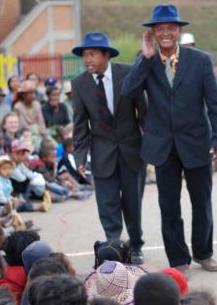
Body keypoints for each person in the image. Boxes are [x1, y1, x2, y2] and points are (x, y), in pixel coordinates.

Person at [121, 4, 217, 275]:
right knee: (168, 206)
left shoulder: (200, 60)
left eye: (170, 28)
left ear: (179, 31)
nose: (165, 33)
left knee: (201, 203)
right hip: (162, 146)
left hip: (197, 142)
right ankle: (178, 259)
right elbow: (127, 91)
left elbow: (216, 103)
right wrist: (145, 58)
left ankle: (204, 253)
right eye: (160, 29)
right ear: (153, 33)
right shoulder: (146, 61)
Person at [72, 32, 147, 263]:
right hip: (101, 152)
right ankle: (114, 246)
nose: (87, 60)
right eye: (85, 55)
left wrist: (152, 145)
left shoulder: (127, 74)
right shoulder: (79, 83)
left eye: (92, 54)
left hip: (132, 150)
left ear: (106, 55)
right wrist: (80, 157)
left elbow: (143, 112)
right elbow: (80, 124)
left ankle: (135, 245)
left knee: (133, 203)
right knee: (107, 203)